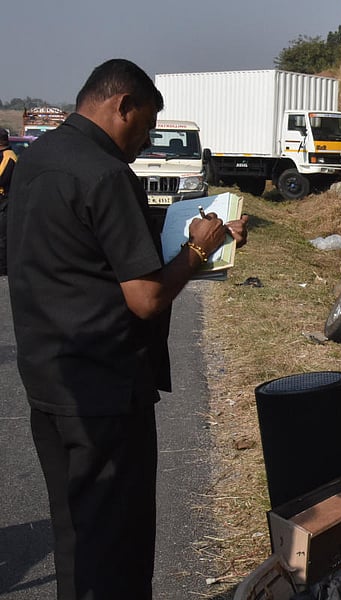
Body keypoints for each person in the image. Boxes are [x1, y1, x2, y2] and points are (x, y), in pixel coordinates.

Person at [6, 59, 249, 599]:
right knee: (118, 544)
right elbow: (146, 297)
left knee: (74, 534)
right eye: (144, 129)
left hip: (50, 383)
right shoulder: (107, 173)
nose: (143, 144)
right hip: (107, 395)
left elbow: (90, 249)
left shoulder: (36, 159)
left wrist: (211, 235)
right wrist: (197, 251)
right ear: (123, 105)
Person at [0, 127, 17, 275]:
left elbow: (1, 177)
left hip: (4, 201)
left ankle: (3, 268)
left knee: (2, 238)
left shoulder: (8, 157)